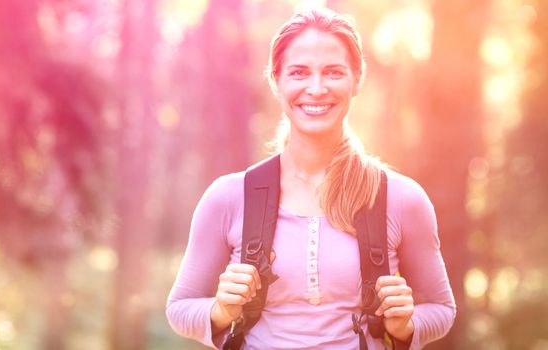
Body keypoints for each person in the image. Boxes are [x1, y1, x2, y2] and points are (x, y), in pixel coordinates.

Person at [166, 7, 456, 350]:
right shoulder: (229, 197)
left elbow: (442, 309)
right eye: (299, 73)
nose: (316, 89)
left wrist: (406, 326)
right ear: (276, 81)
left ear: (356, 79)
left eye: (333, 72)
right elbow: (180, 308)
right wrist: (220, 310)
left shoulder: (401, 198)